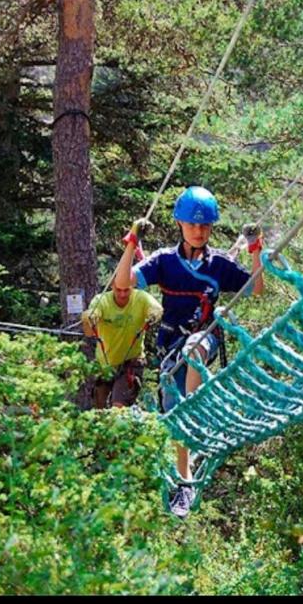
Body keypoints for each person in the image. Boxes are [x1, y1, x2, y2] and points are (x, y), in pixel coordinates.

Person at [113, 186, 264, 517]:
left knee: (194, 357)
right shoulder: (166, 261)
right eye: (193, 225)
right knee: (175, 421)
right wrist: (132, 243)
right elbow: (122, 282)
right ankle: (184, 483)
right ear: (180, 224)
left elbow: (255, 287)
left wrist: (255, 250)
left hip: (202, 339)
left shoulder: (220, 265)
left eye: (205, 226)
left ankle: (195, 409)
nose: (198, 231)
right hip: (169, 347)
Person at [81, 281, 162, 409]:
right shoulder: (102, 300)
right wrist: (90, 318)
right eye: (118, 290)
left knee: (119, 407)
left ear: (133, 286)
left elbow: (156, 308)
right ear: (112, 285)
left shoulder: (141, 298)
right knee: (100, 408)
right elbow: (90, 327)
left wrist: (154, 313)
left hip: (132, 362)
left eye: (126, 290)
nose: (123, 294)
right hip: (105, 364)